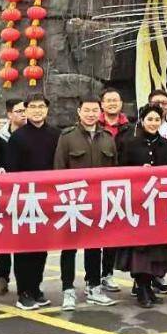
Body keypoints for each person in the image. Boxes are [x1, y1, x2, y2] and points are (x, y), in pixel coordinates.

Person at [54, 98, 118, 310]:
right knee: (69, 248)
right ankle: (68, 290)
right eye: (87, 110)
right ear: (79, 112)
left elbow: (115, 171)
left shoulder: (108, 138)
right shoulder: (67, 137)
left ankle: (94, 287)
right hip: (73, 202)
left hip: (99, 202)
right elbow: (59, 170)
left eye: (94, 110)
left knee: (95, 247)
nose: (91, 114)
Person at [116, 104, 167, 308]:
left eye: (157, 120)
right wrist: (138, 171)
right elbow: (120, 171)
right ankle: (141, 288)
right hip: (138, 204)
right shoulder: (130, 143)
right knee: (140, 247)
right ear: (142, 120)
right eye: (149, 119)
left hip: (159, 203)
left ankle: (150, 285)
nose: (153, 123)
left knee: (156, 247)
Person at [4, 95, 58, 311]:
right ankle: (24, 291)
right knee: (24, 247)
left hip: (48, 199)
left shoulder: (55, 135)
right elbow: (11, 171)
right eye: (32, 107)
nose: (37, 111)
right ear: (25, 111)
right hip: (25, 199)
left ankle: (36, 288)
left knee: (42, 247)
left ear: (47, 110)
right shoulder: (17, 138)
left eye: (41, 107)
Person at [97, 87, 130, 293]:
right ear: (102, 104)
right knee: (91, 235)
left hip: (122, 188)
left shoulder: (131, 127)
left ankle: (107, 274)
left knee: (112, 234)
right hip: (94, 188)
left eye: (115, 100)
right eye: (108, 100)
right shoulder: (92, 125)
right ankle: (92, 278)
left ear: (121, 104)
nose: (111, 103)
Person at [0, 99, 27, 294]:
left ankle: (26, 281)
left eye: (25, 110)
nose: (23, 114)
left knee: (25, 239)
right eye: (19, 111)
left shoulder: (32, 135)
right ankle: (2, 278)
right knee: (3, 238)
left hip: (28, 196)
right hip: (3, 196)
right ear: (9, 114)